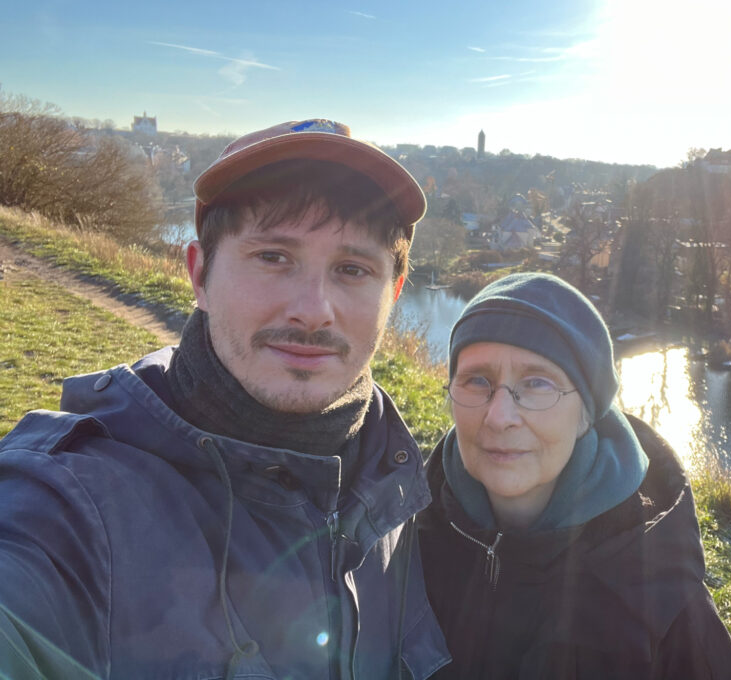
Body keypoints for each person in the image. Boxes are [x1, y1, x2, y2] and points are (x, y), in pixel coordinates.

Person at [0, 120, 450, 680]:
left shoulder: (394, 481)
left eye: (352, 270)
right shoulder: (71, 508)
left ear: (394, 293)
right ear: (199, 275)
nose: (313, 310)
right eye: (273, 257)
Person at [418, 273, 731, 679]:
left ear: (587, 414)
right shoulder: (403, 546)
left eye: (538, 383)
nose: (499, 417)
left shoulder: (664, 606)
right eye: (477, 380)